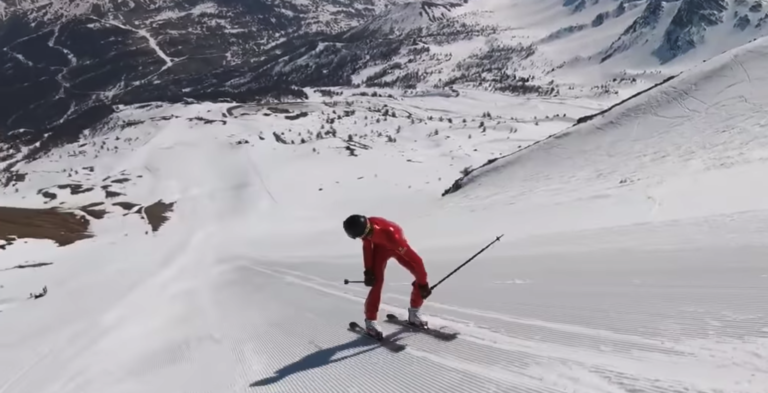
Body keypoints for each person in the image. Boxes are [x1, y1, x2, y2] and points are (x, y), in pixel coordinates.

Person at [343, 214, 432, 337]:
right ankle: (370, 321)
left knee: (420, 274)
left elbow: (417, 261)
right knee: (376, 282)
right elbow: (367, 246)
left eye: (362, 236)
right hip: (380, 249)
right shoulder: (367, 227)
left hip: (395, 246)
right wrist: (368, 271)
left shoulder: (392, 238)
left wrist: (423, 284)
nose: (362, 238)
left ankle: (414, 312)